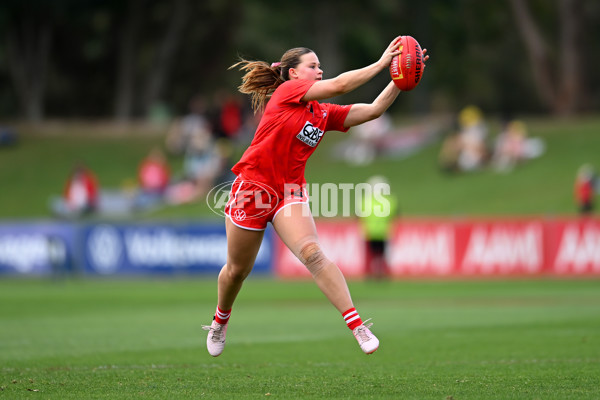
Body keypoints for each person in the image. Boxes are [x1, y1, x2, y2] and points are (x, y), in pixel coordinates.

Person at [202, 37, 429, 357]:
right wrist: (381, 63)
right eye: (313, 66)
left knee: (313, 253)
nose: (320, 71)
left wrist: (400, 78)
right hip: (253, 188)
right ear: (294, 74)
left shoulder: (321, 113)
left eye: (320, 66)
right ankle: (220, 320)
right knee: (237, 270)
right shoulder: (285, 93)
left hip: (290, 192)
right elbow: (338, 86)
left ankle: (357, 325)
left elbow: (373, 111)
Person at [359, 176, 398, 280]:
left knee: (371, 255)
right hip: (384, 232)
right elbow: (395, 214)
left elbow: (358, 215)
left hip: (369, 232)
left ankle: (371, 273)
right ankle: (382, 273)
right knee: (382, 255)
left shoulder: (365, 201)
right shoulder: (389, 200)